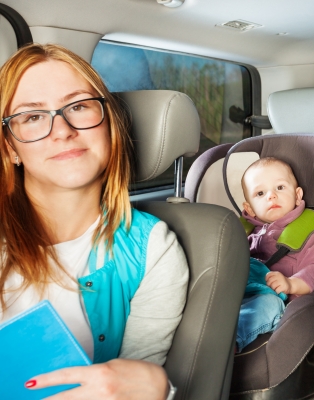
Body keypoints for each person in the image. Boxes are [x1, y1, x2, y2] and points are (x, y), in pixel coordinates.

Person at [0, 43, 188, 399]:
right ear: (10, 147)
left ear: (108, 124)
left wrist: (157, 390)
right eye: (33, 116)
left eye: (79, 106)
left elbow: (138, 377)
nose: (62, 130)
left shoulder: (152, 249)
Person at [236, 157, 314, 351]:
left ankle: (230, 342)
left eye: (279, 188)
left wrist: (291, 283)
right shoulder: (246, 234)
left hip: (282, 305)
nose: (271, 196)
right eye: (260, 193)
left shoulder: (307, 231)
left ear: (297, 195)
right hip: (242, 295)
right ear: (249, 208)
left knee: (267, 305)